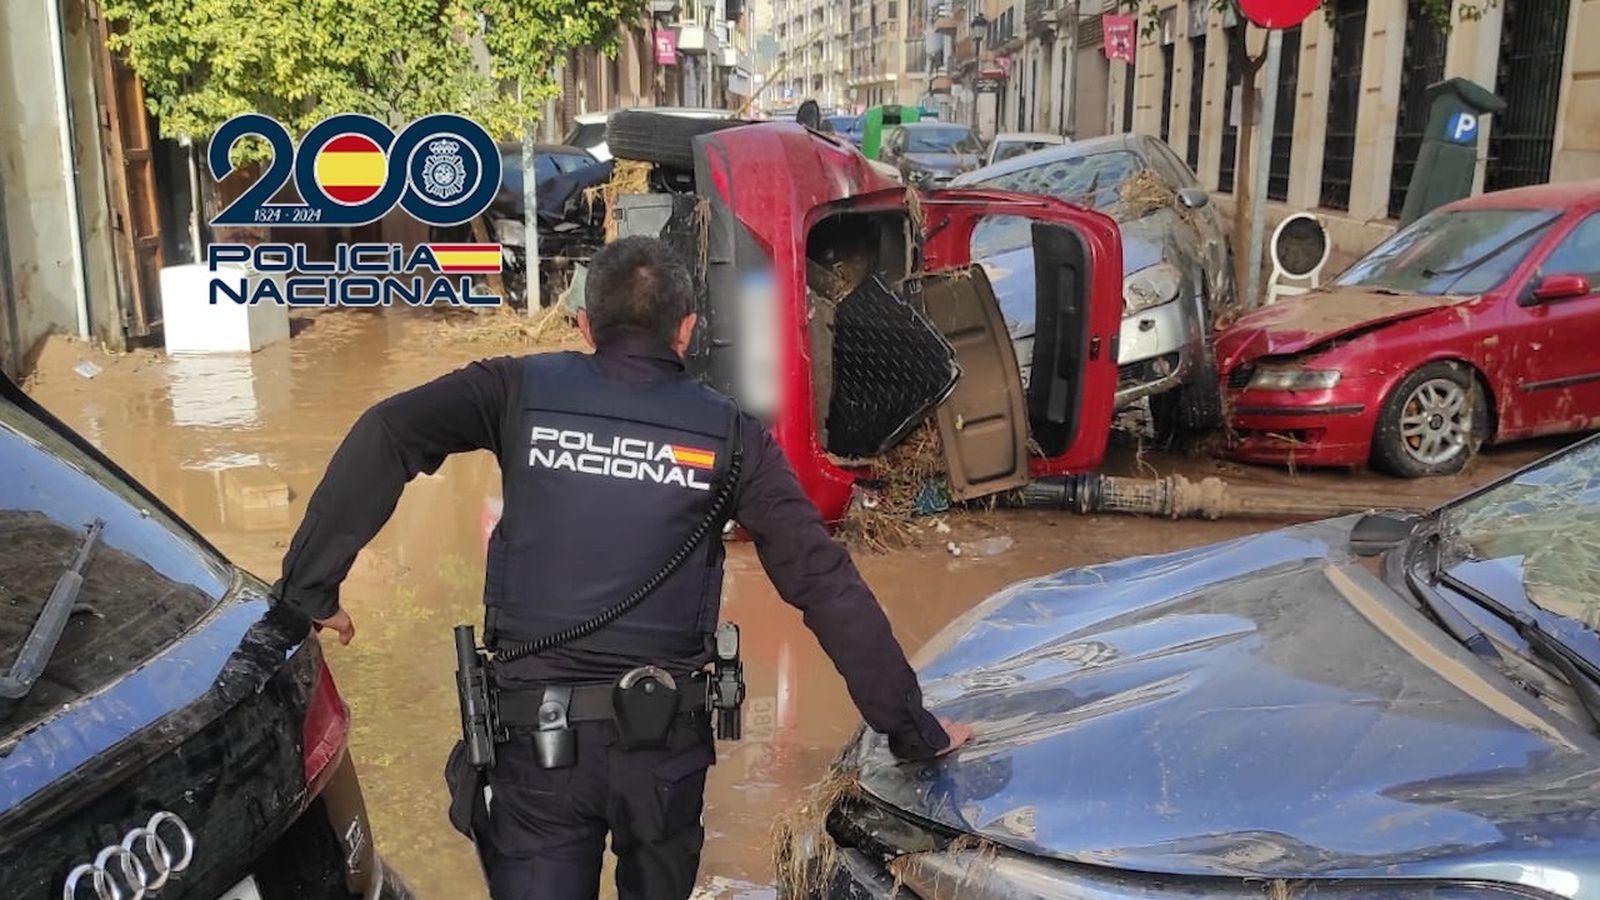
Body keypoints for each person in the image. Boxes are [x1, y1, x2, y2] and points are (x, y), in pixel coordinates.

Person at [272, 236, 973, 900]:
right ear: (689, 329)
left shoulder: (514, 389)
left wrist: (308, 588)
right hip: (662, 755)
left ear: (584, 324)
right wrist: (914, 731)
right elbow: (821, 581)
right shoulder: (732, 435)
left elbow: (388, 432)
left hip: (535, 754)